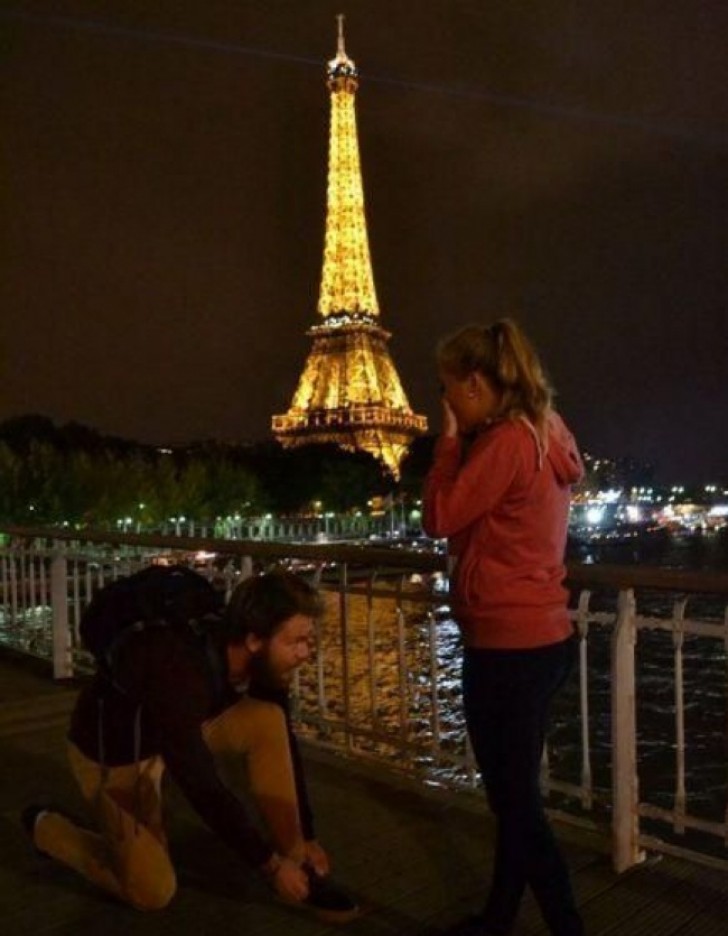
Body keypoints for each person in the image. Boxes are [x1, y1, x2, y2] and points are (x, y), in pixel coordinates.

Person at [22, 569, 359, 923]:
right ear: (255, 639)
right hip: (116, 753)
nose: (307, 653)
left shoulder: (256, 661)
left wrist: (306, 834)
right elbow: (202, 786)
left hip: (178, 729)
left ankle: (300, 863)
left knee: (267, 718)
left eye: (309, 640)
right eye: (297, 642)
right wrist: (268, 867)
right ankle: (47, 828)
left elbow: (283, 742)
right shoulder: (177, 673)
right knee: (152, 890)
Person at [422, 319, 585, 936]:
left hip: (506, 648)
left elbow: (439, 515)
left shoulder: (504, 443)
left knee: (516, 808)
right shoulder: (547, 430)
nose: (444, 401)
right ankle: (497, 917)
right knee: (514, 802)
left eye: (447, 389)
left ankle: (567, 927)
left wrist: (447, 443)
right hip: (542, 639)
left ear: (473, 383)